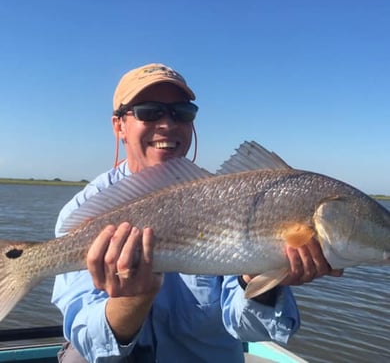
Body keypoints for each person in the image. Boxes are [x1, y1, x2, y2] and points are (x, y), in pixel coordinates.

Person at [52, 63, 343, 363]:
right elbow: (88, 339)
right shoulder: (85, 211)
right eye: (149, 111)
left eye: (182, 112)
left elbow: (248, 328)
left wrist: (261, 280)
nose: (167, 123)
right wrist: (131, 300)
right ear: (119, 126)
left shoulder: (228, 197)